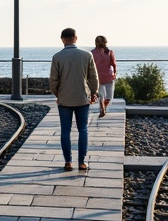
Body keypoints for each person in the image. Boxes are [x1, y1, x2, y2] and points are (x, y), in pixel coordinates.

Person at [50, 27, 100, 172]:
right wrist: (93, 93)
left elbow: (53, 80)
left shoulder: (57, 57)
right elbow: (93, 77)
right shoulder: (87, 55)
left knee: (65, 130)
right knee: (83, 129)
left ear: (62, 39)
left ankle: (68, 162)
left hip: (64, 99)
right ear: (75, 38)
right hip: (82, 98)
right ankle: (82, 162)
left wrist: (58, 94)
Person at [91, 36, 117, 118]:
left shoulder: (92, 53)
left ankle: (102, 108)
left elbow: (89, 66)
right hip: (108, 76)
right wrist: (115, 73)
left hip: (98, 76)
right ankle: (103, 107)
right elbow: (113, 64)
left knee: (101, 95)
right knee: (109, 96)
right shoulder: (109, 52)